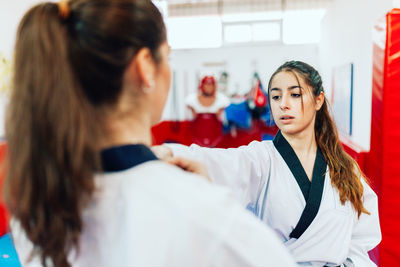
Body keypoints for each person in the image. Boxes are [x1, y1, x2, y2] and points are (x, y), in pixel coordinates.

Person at [4, 1, 298, 267]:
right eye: (166, 57)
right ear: (146, 67)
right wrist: (204, 203)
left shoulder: (35, 208)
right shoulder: (213, 222)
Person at [155, 61, 382, 266]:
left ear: (318, 100)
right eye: (275, 96)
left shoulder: (345, 168)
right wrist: (166, 151)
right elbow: (220, 162)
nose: (283, 104)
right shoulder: (262, 159)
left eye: (295, 95)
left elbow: (363, 236)